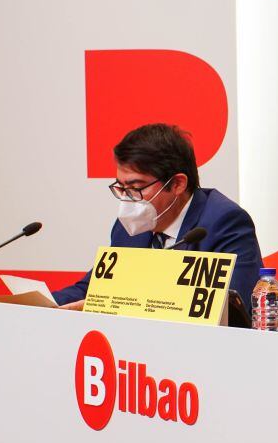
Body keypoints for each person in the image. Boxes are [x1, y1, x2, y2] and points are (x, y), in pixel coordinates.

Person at [52, 123, 264, 308]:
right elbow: (95, 287)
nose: (128, 200)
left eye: (136, 187)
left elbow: (235, 306)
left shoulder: (224, 223)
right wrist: (39, 304)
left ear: (178, 184)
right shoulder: (129, 227)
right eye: (122, 188)